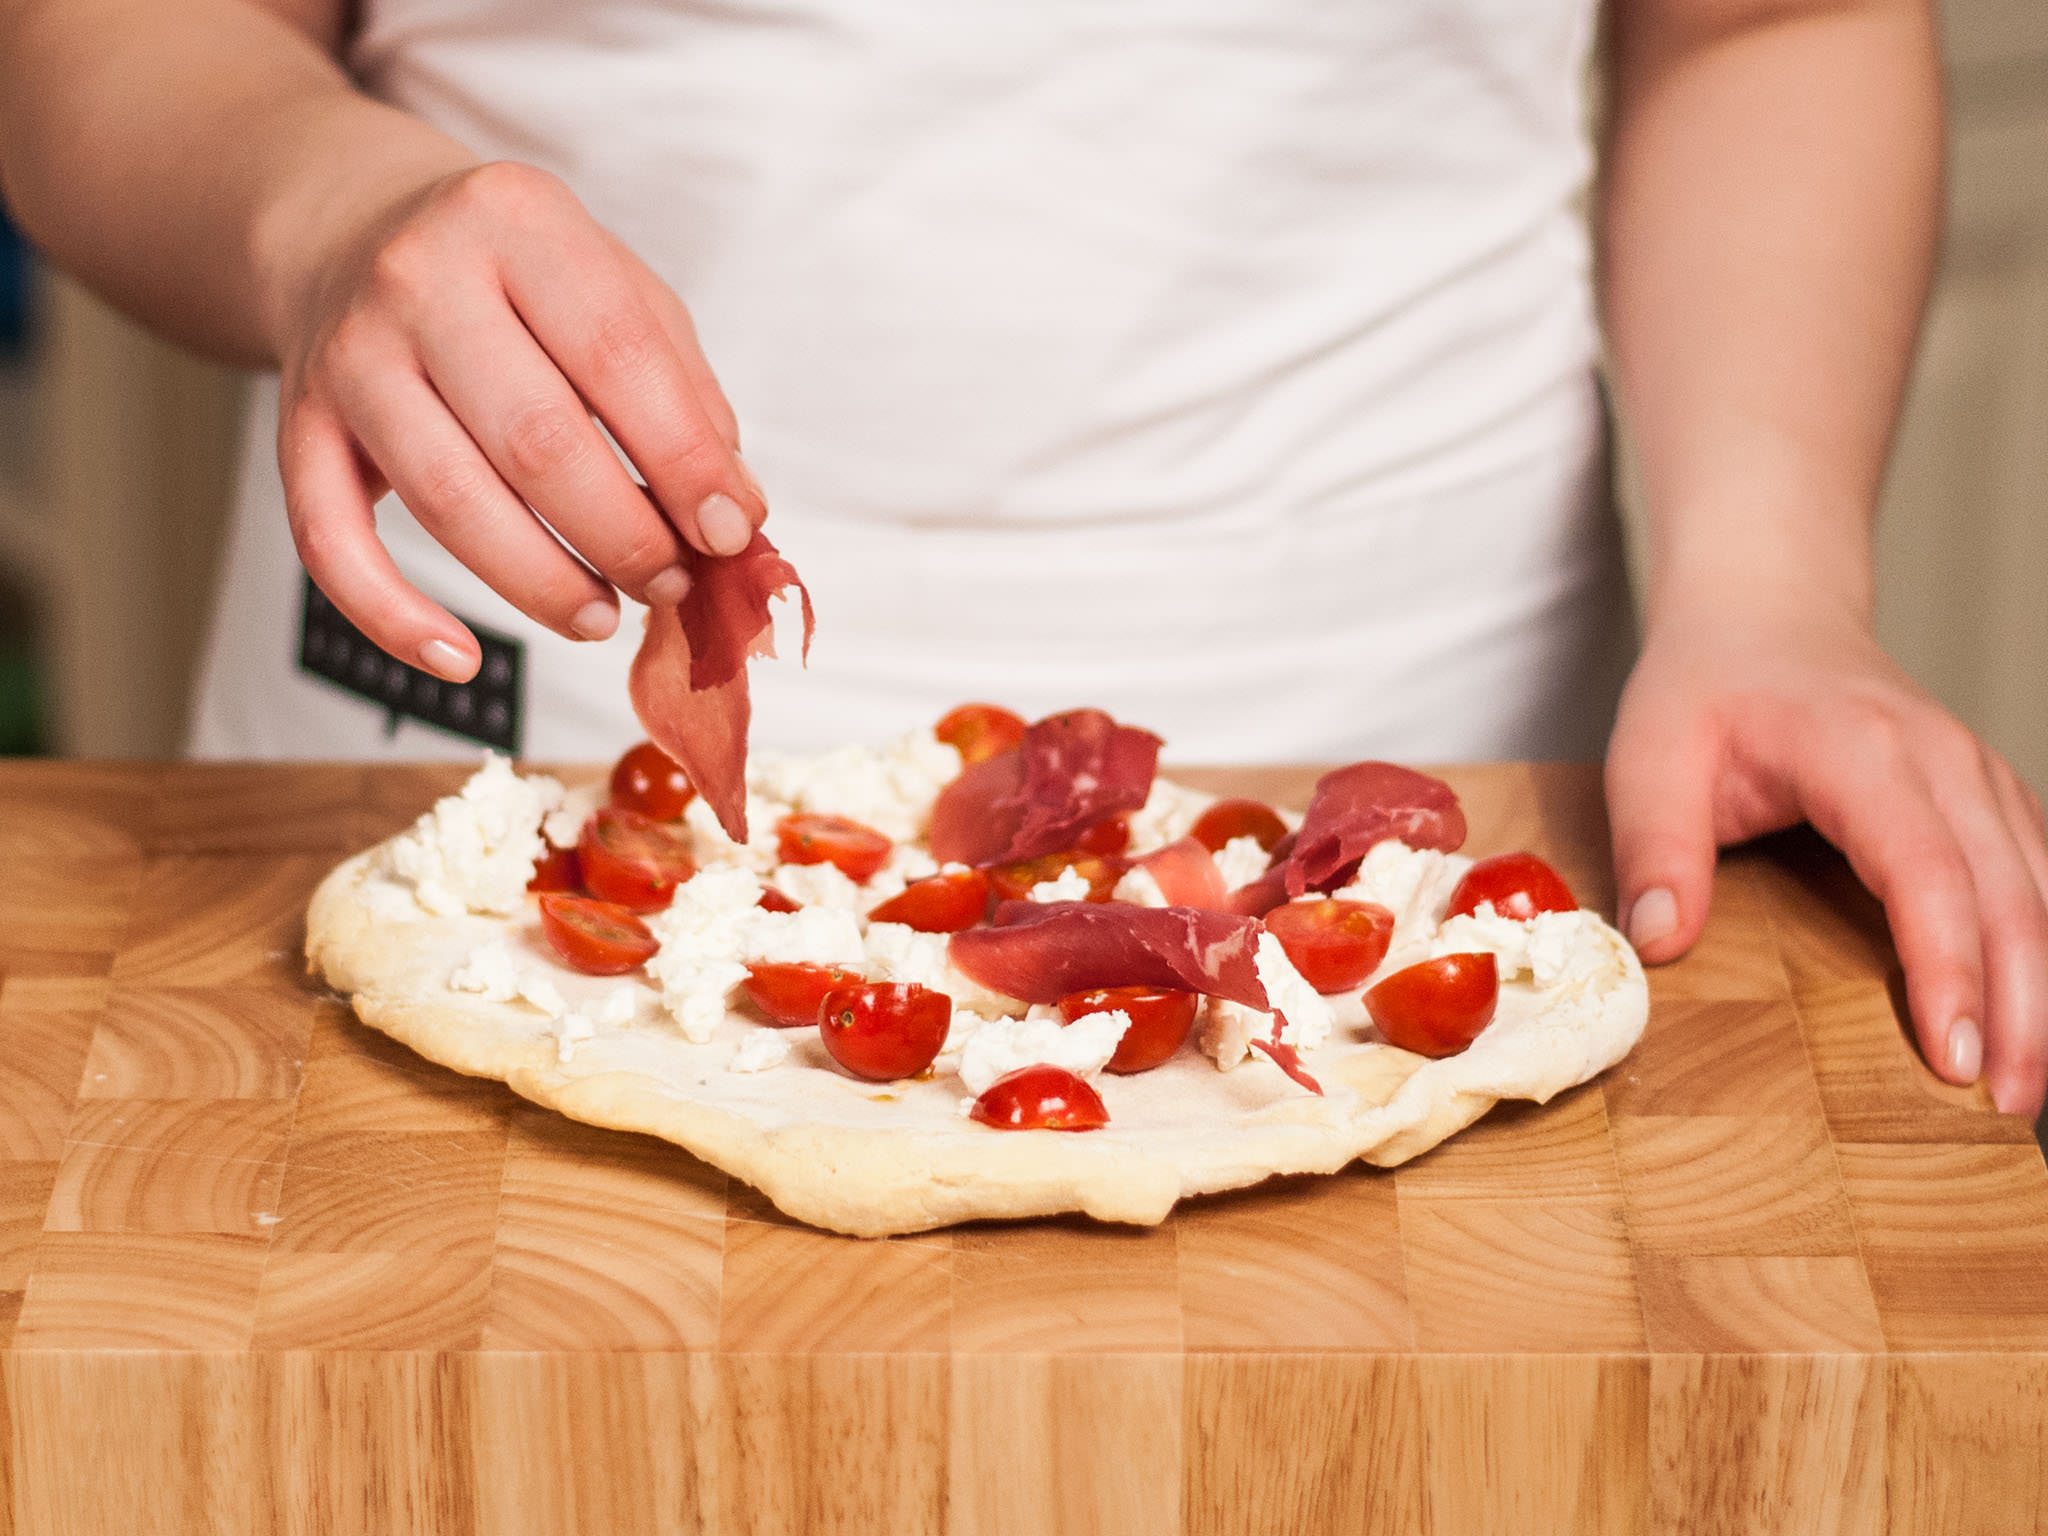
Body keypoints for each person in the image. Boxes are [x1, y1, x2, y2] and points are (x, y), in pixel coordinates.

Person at [2, 0, 2043, 1118]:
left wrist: (1771, 567)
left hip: (1418, 748)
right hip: (502, 737)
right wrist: (321, 206)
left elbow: (1775, 15)